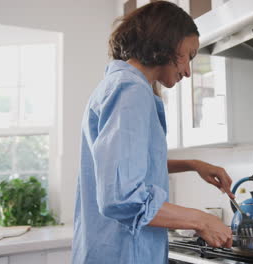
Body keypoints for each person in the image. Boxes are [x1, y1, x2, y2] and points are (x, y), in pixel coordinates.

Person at [72, 2, 234, 263]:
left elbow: (126, 168)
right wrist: (202, 220)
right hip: (124, 253)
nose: (189, 72)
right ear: (168, 40)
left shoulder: (119, 85)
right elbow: (122, 197)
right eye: (189, 56)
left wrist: (193, 164)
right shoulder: (130, 91)